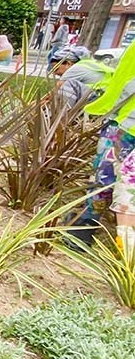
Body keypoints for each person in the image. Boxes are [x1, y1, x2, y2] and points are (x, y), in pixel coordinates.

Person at [71, 43, 135, 249]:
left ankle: (86, 226)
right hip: (126, 122)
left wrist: (108, 110)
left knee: (105, 177)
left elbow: (125, 83)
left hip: (126, 125)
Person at [49, 46, 114, 109]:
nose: (54, 73)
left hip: (98, 98)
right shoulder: (88, 64)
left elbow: (53, 93)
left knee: (69, 84)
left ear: (68, 63)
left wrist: (40, 105)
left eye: (56, 69)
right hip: (107, 98)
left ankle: (61, 115)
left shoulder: (75, 68)